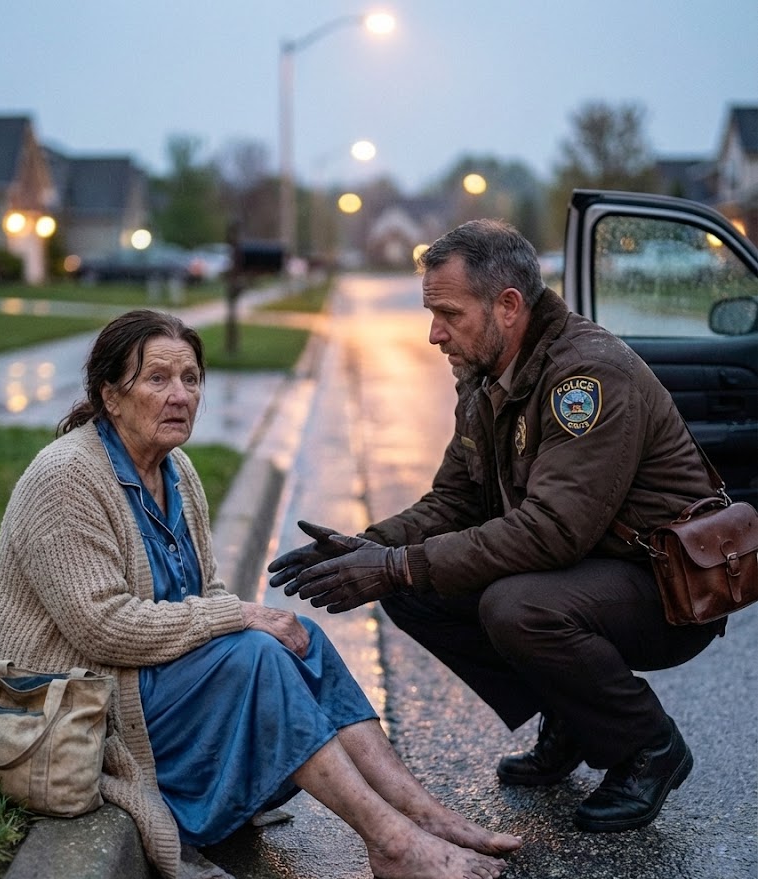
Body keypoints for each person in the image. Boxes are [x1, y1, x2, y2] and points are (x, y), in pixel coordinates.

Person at [0, 308, 521, 879]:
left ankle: (422, 811)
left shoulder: (176, 469)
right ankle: (388, 838)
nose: (179, 395)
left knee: (301, 640)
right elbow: (104, 627)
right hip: (80, 706)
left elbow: (203, 591)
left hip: (146, 682)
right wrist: (243, 616)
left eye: (190, 379)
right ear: (110, 394)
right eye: (157, 379)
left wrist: (245, 618)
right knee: (255, 655)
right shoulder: (66, 479)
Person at [268, 219, 726, 834]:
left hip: (661, 585)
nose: (434, 334)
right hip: (587, 568)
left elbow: (552, 531)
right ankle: (571, 716)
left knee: (517, 606)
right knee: (409, 587)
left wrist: (397, 563)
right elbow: (455, 501)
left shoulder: (586, 378)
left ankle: (648, 746)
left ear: (508, 306)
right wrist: (371, 549)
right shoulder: (486, 377)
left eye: (449, 314)